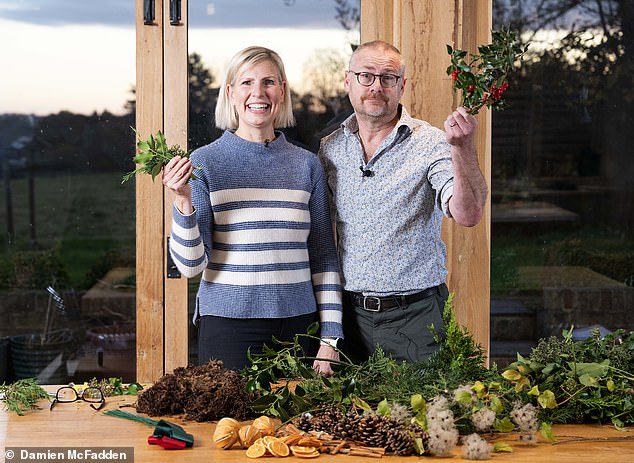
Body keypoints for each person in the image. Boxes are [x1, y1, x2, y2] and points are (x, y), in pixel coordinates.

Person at [162, 46, 343, 374]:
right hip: (228, 327)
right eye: (246, 83)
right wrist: (182, 200)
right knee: (229, 425)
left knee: (295, 426)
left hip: (298, 327)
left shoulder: (307, 165)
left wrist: (330, 338)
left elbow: (323, 257)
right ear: (230, 93)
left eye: (268, 82)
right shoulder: (204, 163)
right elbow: (189, 267)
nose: (257, 93)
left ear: (282, 91)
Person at [317, 40, 487, 365]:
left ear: (402, 85)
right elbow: (321, 240)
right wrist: (328, 332)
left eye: (388, 78)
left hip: (418, 317)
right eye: (366, 76)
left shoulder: (434, 143)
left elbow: (467, 214)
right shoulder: (330, 149)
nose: (376, 87)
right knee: (350, 415)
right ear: (348, 81)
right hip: (348, 318)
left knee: (424, 413)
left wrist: (463, 149)